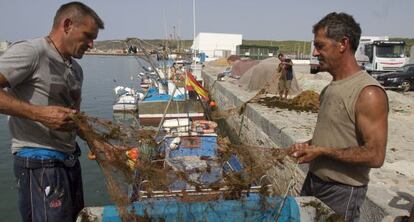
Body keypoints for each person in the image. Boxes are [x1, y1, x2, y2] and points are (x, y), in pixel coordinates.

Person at [0, 2, 104, 221]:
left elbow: (77, 119)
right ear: (67, 25)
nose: (91, 44)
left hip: (68, 161)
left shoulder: (76, 70)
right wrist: (39, 114)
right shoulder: (32, 52)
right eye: (87, 36)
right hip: (39, 164)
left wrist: (99, 145)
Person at [289, 12, 388, 221]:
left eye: (320, 46)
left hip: (342, 192)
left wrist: (322, 151)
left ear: (343, 44)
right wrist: (308, 146)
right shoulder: (329, 89)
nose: (315, 52)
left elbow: (375, 155)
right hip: (314, 181)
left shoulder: (368, 93)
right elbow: (334, 136)